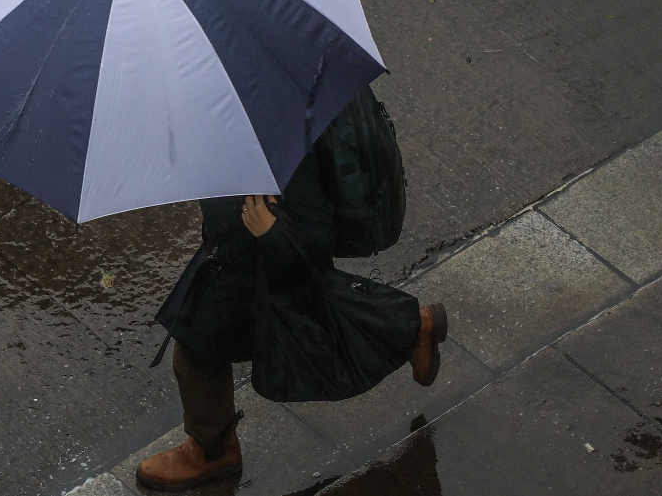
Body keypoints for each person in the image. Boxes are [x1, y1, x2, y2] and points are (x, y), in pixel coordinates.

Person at [135, 152, 447, 492]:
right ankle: (212, 448)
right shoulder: (229, 142)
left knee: (304, 333)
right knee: (201, 346)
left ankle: (212, 452)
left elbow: (317, 239)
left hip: (263, 259)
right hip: (232, 257)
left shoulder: (282, 155)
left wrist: (271, 230)